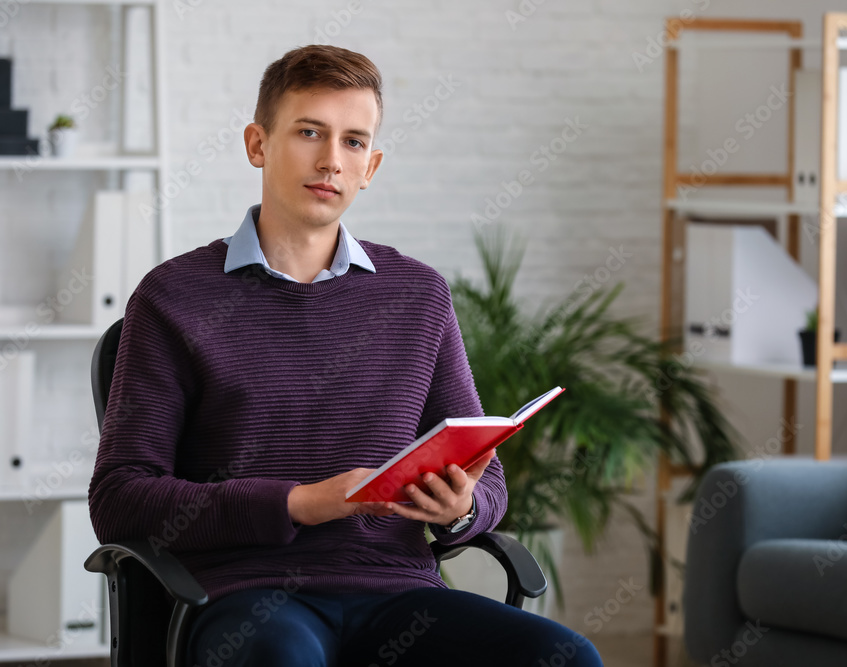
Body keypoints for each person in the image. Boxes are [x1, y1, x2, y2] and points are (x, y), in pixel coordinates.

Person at [88, 45, 603, 667]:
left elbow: (486, 479)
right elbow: (120, 498)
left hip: (397, 591)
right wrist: (301, 502)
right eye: (309, 132)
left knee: (567, 657)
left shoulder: (417, 295)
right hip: (246, 595)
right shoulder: (175, 296)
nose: (331, 160)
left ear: (372, 165)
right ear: (258, 143)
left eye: (354, 142)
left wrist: (461, 508)